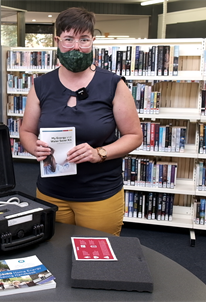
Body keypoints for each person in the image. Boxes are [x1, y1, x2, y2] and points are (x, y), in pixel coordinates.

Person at [19, 7, 143, 236]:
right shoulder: (41, 85)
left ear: (93, 41)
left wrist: (99, 153)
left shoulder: (113, 84)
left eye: (84, 39)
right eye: (68, 39)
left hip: (99, 193)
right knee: (53, 253)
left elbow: (134, 136)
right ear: (57, 40)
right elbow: (26, 130)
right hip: (51, 191)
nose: (76, 47)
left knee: (97, 260)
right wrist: (32, 146)